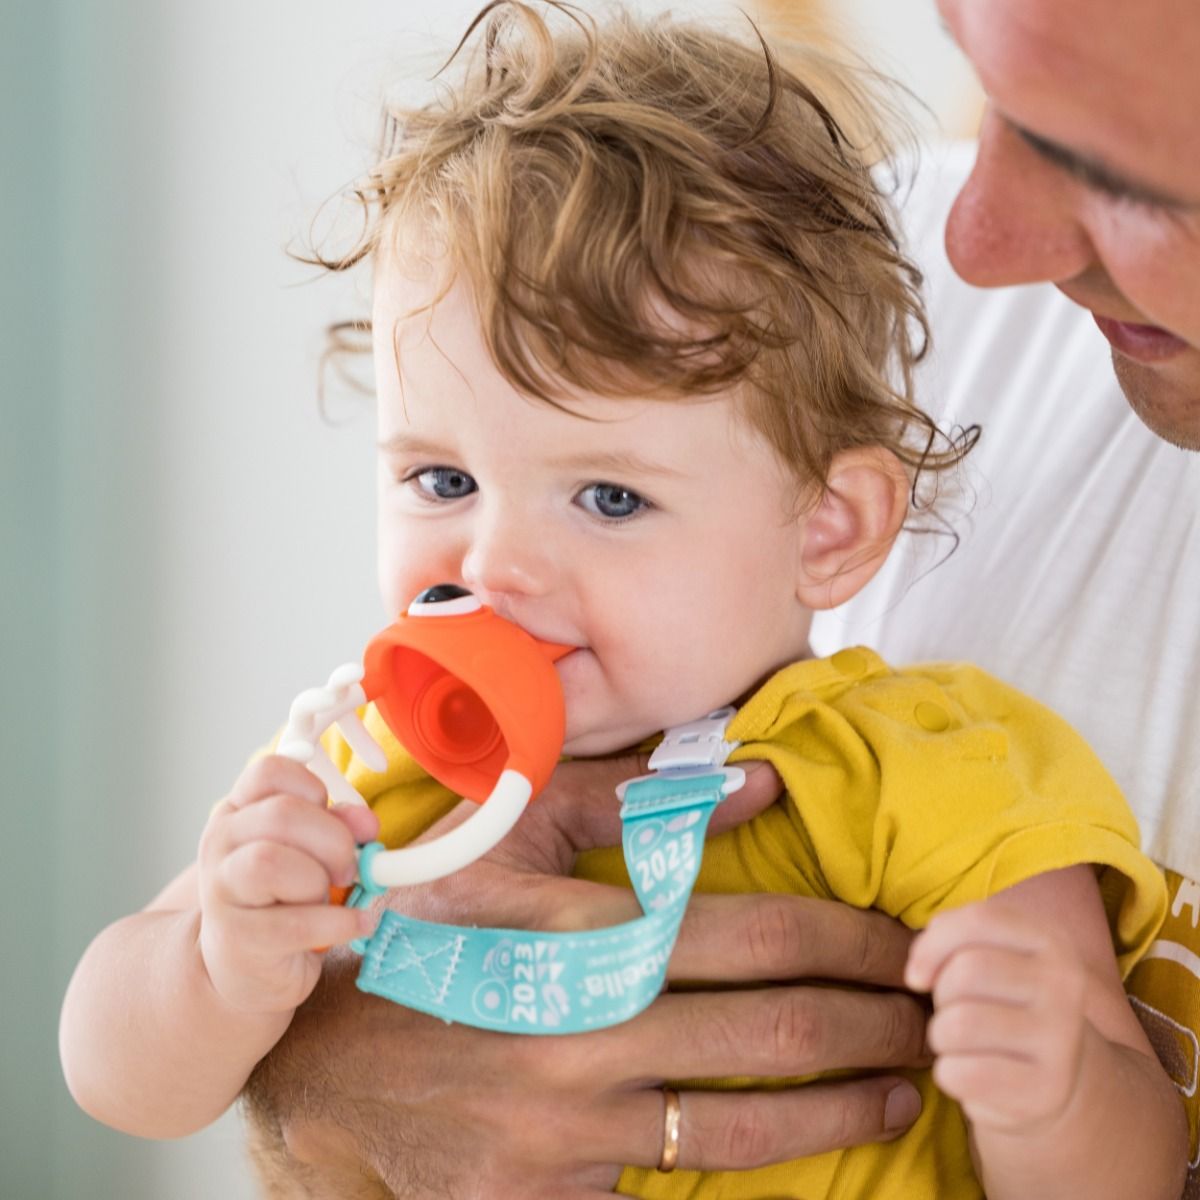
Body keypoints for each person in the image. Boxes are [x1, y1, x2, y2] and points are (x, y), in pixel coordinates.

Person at [57, 4, 1187, 1198]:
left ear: (828, 526)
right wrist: (217, 966)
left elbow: (1135, 1173)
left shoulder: (935, 763)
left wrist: (1050, 1081)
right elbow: (119, 1078)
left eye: (606, 498)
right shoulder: (366, 767)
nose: (493, 566)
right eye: (443, 479)